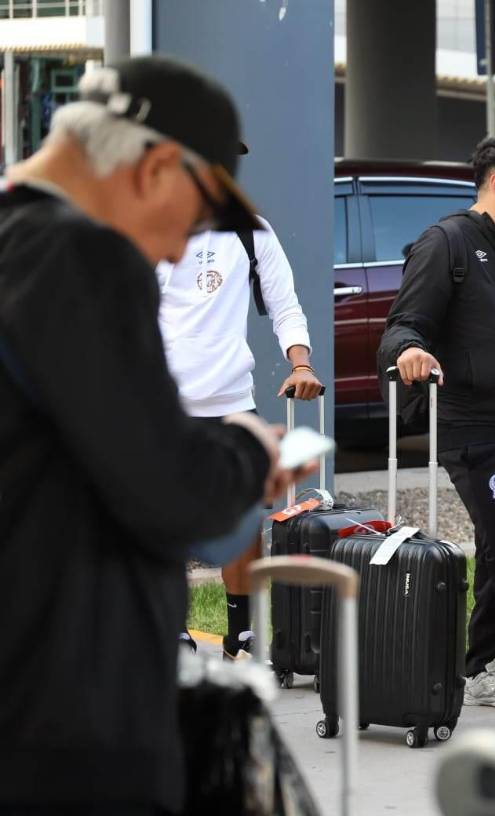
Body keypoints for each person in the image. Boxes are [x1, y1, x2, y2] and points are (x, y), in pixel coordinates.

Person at [0, 56, 299, 815]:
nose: (177, 253)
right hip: (67, 706)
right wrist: (247, 451)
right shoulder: (83, 256)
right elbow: (170, 492)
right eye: (198, 220)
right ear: (157, 166)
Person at [379, 136, 495, 711]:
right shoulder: (446, 242)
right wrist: (409, 350)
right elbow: (405, 321)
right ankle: (480, 666)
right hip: (474, 425)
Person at [158, 188, 322, 659]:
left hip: (232, 399)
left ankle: (241, 632)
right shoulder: (157, 226)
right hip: (168, 402)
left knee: (246, 520)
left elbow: (286, 306)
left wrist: (301, 364)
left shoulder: (253, 232)